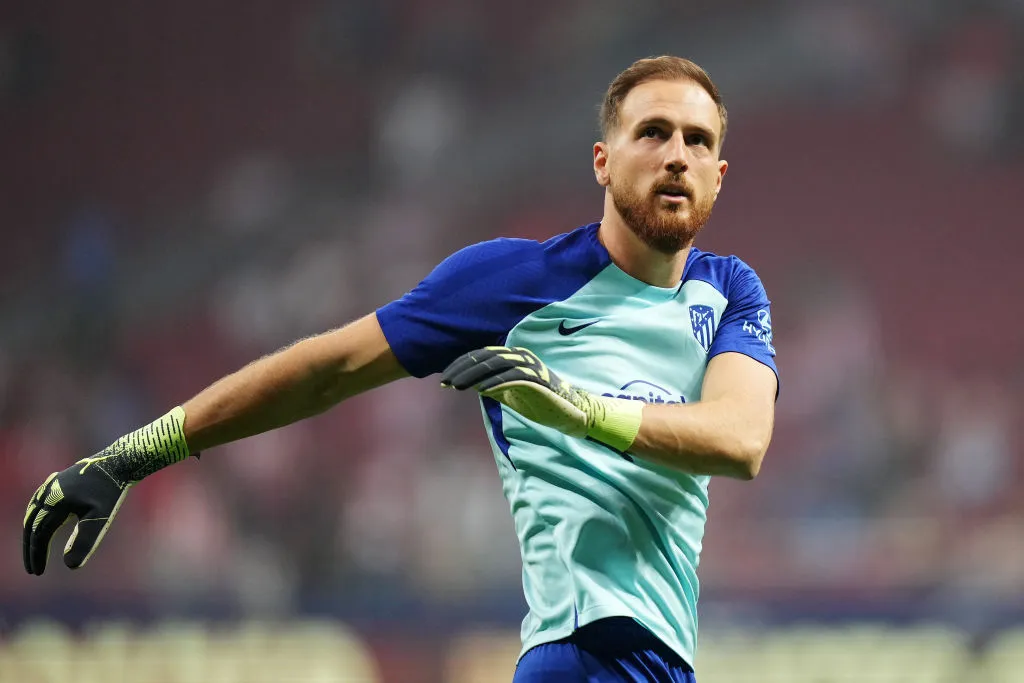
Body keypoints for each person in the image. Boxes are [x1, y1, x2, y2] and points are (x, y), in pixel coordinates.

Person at [22, 56, 778, 682]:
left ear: (718, 173)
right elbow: (328, 367)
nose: (677, 153)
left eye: (696, 139)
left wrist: (578, 409)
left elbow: (740, 439)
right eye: (653, 132)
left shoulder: (731, 290)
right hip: (587, 651)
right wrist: (134, 453)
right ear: (603, 162)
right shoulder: (511, 282)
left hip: (661, 659)